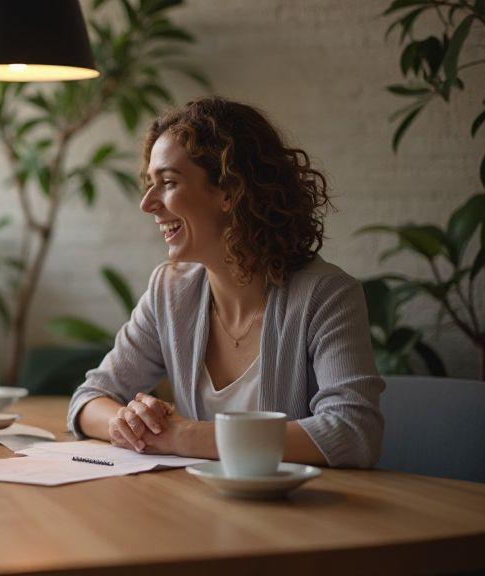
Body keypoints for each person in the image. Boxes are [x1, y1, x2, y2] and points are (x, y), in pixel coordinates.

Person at [68, 96, 384, 468]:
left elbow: (353, 432)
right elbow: (90, 399)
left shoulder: (326, 296)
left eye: (168, 182)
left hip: (299, 517)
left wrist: (185, 435)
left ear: (229, 191)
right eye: (150, 183)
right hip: (201, 508)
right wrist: (127, 423)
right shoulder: (170, 291)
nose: (148, 203)